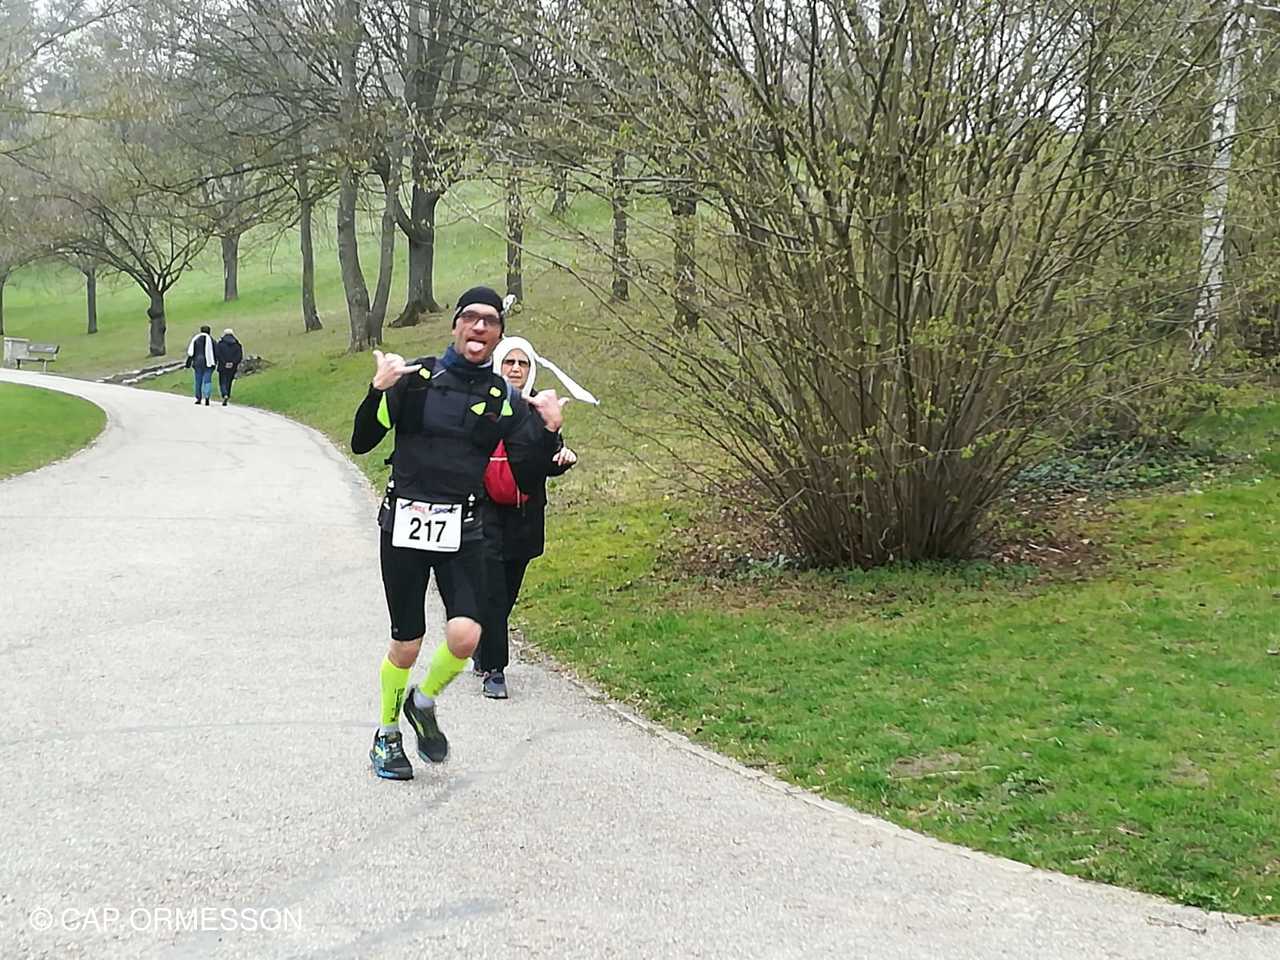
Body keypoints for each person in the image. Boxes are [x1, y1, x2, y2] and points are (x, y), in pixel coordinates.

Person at [349, 286, 565, 781]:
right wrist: (379, 390)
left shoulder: (502, 399)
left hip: (462, 528)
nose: (480, 327)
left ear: (498, 336)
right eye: (471, 317)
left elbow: (528, 470)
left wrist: (550, 431)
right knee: (407, 642)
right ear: (455, 326)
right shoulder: (416, 380)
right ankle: (386, 734)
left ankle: (423, 703)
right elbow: (362, 441)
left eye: (491, 321)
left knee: (467, 635)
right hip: (404, 524)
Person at [475, 335, 595, 699]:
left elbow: (545, 463)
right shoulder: (480, 402)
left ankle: (483, 646)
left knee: (507, 594)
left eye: (522, 363)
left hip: (524, 517)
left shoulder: (542, 408)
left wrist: (561, 453)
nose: (515, 369)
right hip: (483, 514)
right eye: (509, 362)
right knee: (494, 594)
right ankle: (495, 670)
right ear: (497, 364)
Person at [184, 325, 216, 405]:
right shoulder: (212, 341)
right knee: (207, 380)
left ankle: (198, 397)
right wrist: (215, 362)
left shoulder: (196, 340)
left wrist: (188, 364)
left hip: (197, 362)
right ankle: (207, 396)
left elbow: (191, 353)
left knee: (198, 381)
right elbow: (216, 352)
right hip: (209, 363)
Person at [214, 328, 244, 406]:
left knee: (222, 381)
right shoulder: (237, 345)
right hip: (233, 367)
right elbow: (239, 356)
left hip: (222, 366)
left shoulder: (220, 344)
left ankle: (224, 394)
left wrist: (224, 362)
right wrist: (233, 363)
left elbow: (218, 354)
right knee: (229, 381)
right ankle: (228, 393)